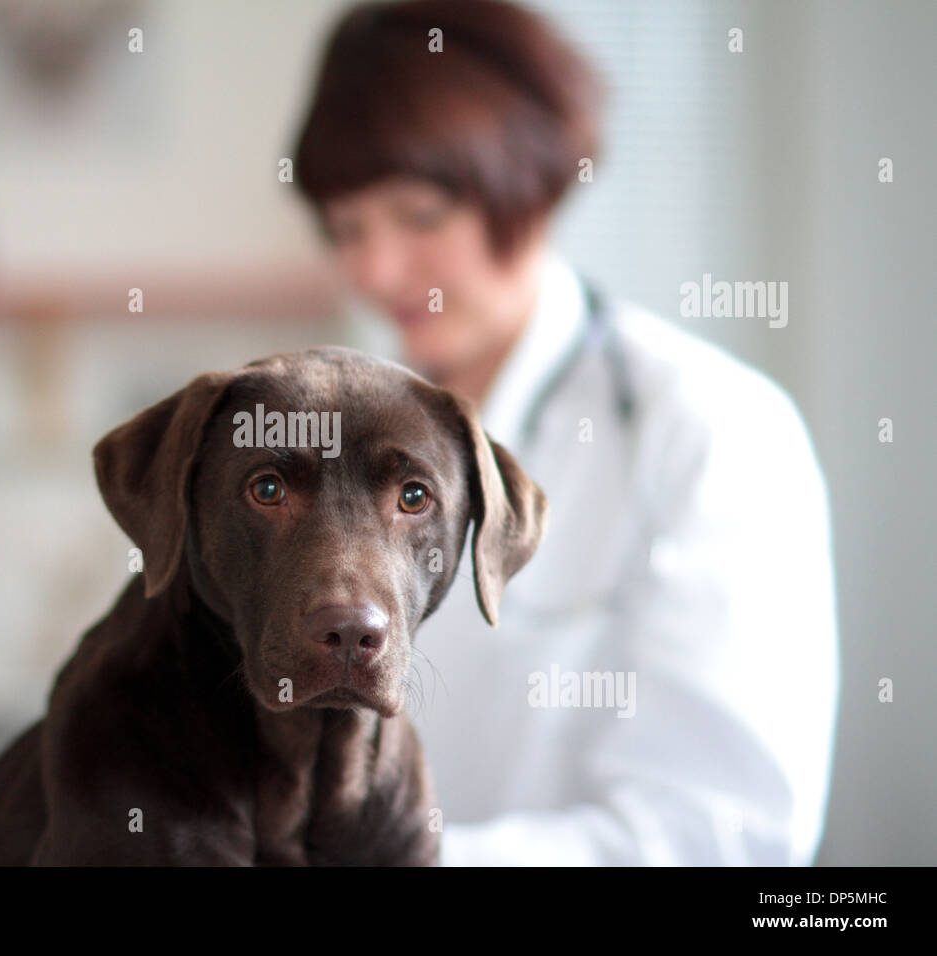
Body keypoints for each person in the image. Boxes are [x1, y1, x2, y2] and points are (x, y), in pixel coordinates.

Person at [290, 0, 839, 865]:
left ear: (532, 184)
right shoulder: (329, 428)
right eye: (349, 229)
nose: (377, 271)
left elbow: (723, 837)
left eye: (421, 215)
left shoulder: (707, 431)